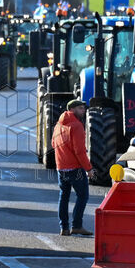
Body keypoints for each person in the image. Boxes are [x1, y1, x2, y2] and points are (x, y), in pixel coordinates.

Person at [51, 99, 93, 236]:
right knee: (83, 196)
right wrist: (88, 169)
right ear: (72, 110)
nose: (83, 110)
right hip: (75, 168)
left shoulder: (58, 125)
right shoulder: (77, 126)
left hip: (61, 168)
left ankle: (64, 228)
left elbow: (53, 144)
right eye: (80, 108)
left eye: (83, 108)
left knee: (64, 196)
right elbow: (80, 151)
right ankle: (77, 225)